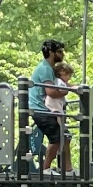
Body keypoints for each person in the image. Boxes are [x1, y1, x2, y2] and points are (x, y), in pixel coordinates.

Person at [27, 38, 64, 168]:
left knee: (64, 136)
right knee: (57, 138)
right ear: (52, 53)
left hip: (43, 109)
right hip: (40, 109)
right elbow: (51, 92)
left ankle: (66, 168)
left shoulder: (49, 68)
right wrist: (65, 92)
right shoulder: (45, 68)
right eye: (60, 51)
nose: (62, 54)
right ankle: (46, 168)